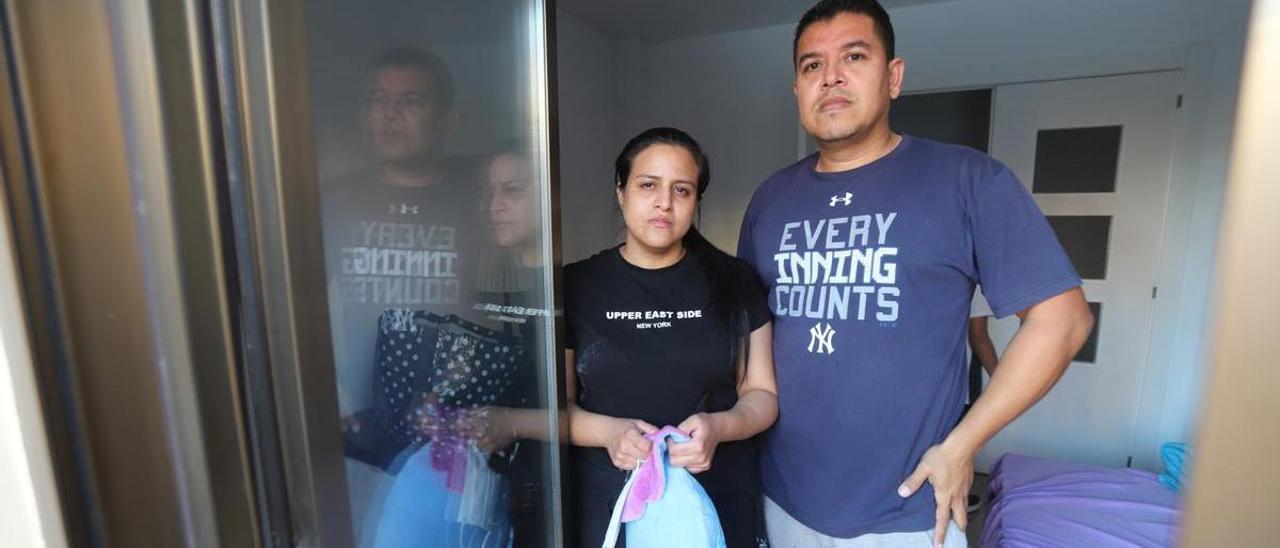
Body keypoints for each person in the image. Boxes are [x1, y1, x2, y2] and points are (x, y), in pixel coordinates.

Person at [735, 1, 1095, 546]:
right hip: (780, 499)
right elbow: (749, 338)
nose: (830, 76)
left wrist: (963, 443)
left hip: (910, 512)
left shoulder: (969, 180)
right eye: (812, 65)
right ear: (797, 90)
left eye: (854, 56)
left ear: (893, 77)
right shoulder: (769, 199)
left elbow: (1063, 322)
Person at [565, 127, 778, 547]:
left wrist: (721, 426)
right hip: (608, 504)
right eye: (648, 185)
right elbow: (555, 408)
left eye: (682, 190)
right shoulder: (575, 285)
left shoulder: (736, 282)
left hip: (718, 501)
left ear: (696, 200)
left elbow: (762, 393)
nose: (665, 202)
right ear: (621, 191)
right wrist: (607, 432)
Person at [319, 46, 483, 542]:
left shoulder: (480, 192)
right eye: (377, 100)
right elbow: (292, 307)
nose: (389, 115)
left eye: (410, 101)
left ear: (447, 117)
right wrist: (333, 390)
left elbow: (510, 305)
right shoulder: (333, 198)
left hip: (459, 426)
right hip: (360, 425)